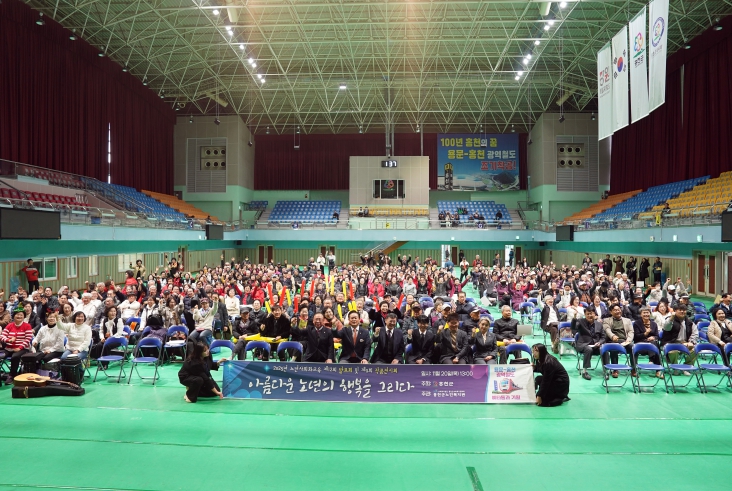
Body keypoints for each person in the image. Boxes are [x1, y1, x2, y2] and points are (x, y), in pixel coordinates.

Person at [661, 303, 698, 373]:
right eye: (680, 310)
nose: (682, 311)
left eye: (684, 310)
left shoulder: (690, 322)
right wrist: (671, 318)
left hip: (685, 344)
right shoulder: (669, 319)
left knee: (695, 350)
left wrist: (691, 342)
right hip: (671, 344)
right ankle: (675, 368)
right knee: (673, 352)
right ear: (675, 311)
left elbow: (695, 334)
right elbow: (666, 328)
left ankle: (686, 367)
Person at [0, 308, 34, 381]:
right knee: (1, 356)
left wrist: (20, 348)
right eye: (17, 315)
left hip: (23, 349)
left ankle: (12, 375)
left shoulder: (27, 326)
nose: (19, 316)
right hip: (9, 348)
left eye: (21, 315)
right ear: (14, 316)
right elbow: (2, 336)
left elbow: (28, 339)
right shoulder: (9, 325)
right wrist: (8, 340)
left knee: (15, 357)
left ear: (24, 317)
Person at [602, 304, 635, 378]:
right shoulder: (606, 320)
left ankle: (633, 369)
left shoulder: (627, 320)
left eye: (619, 309)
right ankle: (615, 369)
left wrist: (628, 340)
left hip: (625, 341)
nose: (618, 311)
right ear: (611, 312)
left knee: (633, 347)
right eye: (615, 310)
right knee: (614, 347)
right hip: (612, 341)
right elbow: (607, 330)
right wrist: (613, 336)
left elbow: (631, 331)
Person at [571, 309, 604, 380]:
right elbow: (573, 328)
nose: (589, 315)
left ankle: (606, 371)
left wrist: (600, 342)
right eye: (587, 314)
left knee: (604, 350)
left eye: (591, 313)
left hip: (595, 346)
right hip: (583, 345)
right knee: (588, 349)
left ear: (594, 314)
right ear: (585, 315)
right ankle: (584, 372)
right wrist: (574, 317)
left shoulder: (599, 324)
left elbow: (603, 337)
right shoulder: (580, 321)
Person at [631, 307, 663, 378]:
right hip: (640, 346)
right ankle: (652, 363)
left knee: (654, 344)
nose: (646, 314)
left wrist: (653, 337)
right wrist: (645, 334)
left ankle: (657, 370)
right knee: (654, 346)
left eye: (647, 312)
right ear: (641, 314)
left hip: (652, 346)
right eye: (644, 313)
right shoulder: (636, 323)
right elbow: (636, 336)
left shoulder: (654, 324)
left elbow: (657, 336)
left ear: (650, 314)